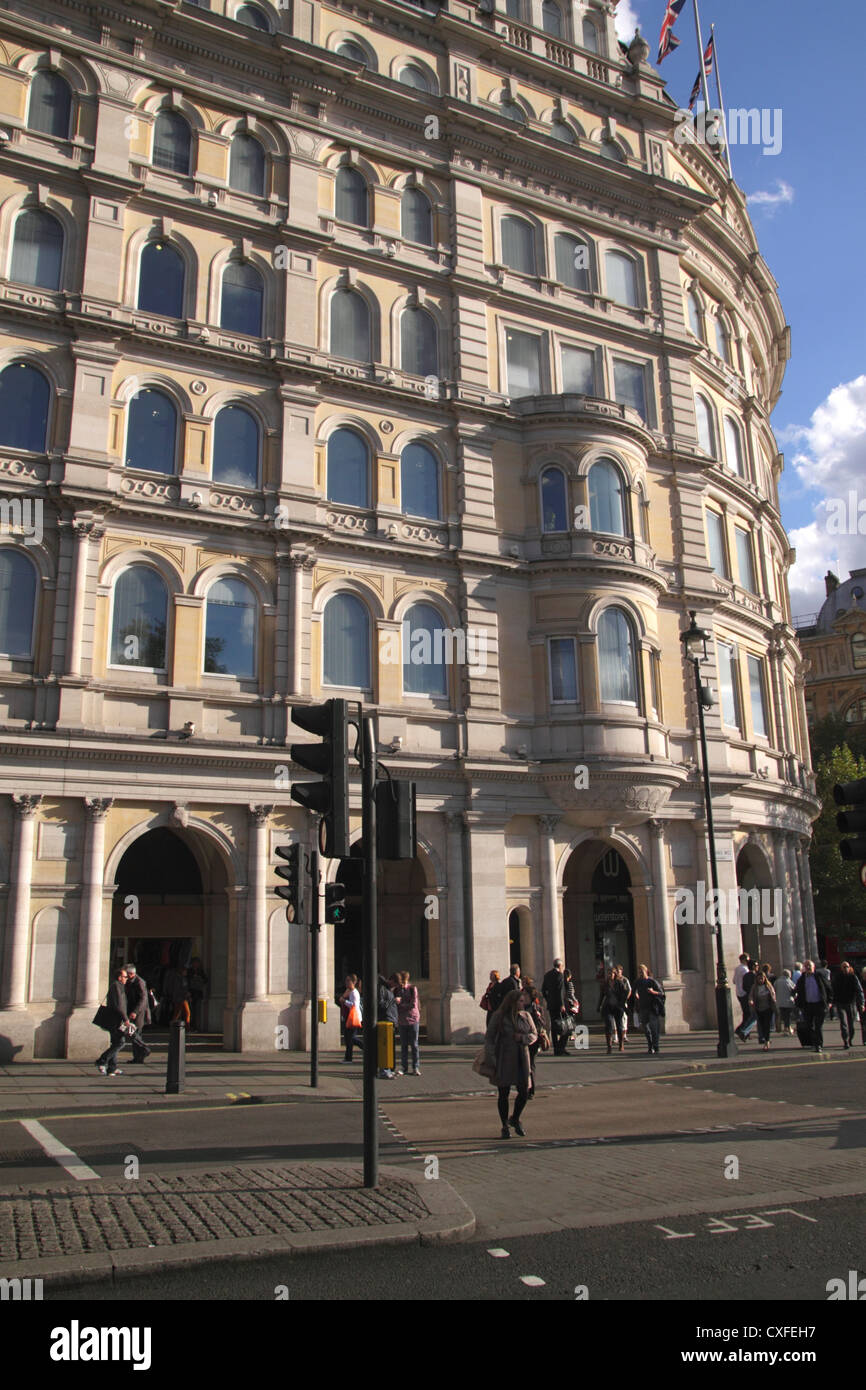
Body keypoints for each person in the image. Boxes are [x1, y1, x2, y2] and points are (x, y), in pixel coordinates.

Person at [486, 988, 537, 1138]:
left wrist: (522, 1038)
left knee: (524, 1091)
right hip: (504, 1057)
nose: (523, 1003)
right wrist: (492, 1057)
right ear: (512, 1002)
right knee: (504, 1092)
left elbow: (534, 1034)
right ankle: (504, 1125)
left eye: (523, 1000)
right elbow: (489, 1037)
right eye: (520, 1001)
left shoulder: (526, 1016)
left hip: (522, 1058)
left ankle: (514, 1118)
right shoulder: (499, 1017)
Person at [96, 967, 131, 1076]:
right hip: (115, 1020)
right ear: (120, 977)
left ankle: (112, 1067)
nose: (127, 979)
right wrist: (126, 1019)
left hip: (115, 1019)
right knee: (120, 1042)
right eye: (125, 977)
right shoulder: (116, 986)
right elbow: (119, 1005)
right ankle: (102, 1061)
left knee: (116, 1042)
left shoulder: (118, 986)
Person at [794, 959, 832, 1053]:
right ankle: (814, 1043)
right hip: (808, 1005)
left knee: (818, 1026)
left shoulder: (818, 976)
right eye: (806, 966)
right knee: (809, 1026)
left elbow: (828, 988)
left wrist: (829, 1001)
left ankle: (818, 1044)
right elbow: (797, 990)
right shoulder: (802, 978)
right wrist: (795, 997)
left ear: (813, 967)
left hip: (819, 1004)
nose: (807, 967)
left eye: (809, 966)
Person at [522, 977, 549, 1099]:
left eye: (525, 995)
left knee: (530, 1064)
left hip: (532, 1040)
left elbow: (542, 1023)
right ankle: (527, 1088)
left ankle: (530, 1089)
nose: (523, 998)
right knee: (526, 1065)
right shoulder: (522, 1007)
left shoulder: (535, 1008)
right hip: (524, 1039)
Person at [632, 964, 665, 1055]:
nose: (640, 974)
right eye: (639, 972)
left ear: (646, 971)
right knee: (646, 1029)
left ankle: (656, 1046)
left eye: (642, 972)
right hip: (643, 1007)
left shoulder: (652, 981)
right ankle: (650, 1046)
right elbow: (633, 991)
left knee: (654, 1028)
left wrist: (652, 992)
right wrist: (636, 995)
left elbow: (661, 993)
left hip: (652, 1008)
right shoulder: (637, 982)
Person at [542, 958, 572, 1056]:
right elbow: (560, 991)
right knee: (566, 1026)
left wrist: (549, 1000)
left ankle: (556, 1049)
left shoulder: (547, 975)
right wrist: (562, 1004)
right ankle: (561, 1047)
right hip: (559, 1005)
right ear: (560, 966)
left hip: (551, 1005)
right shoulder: (560, 975)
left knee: (554, 1027)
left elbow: (543, 990)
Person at [832, 961, 865, 1050]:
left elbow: (859, 990)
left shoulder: (853, 977)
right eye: (844, 967)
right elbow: (833, 989)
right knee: (843, 1023)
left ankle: (850, 1038)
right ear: (841, 968)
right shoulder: (838, 977)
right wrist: (833, 1001)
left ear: (849, 967)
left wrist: (861, 1003)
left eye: (847, 966)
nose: (846, 968)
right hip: (840, 1003)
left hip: (851, 1003)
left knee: (851, 1024)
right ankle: (845, 1041)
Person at [124, 964, 151, 1064]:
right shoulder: (130, 982)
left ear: (131, 974)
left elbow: (143, 999)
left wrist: (135, 1011)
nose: (124, 976)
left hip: (138, 1013)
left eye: (126, 974)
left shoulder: (139, 982)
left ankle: (145, 1049)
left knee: (135, 1034)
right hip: (132, 1011)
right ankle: (138, 1057)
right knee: (133, 1034)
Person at [598, 967, 629, 1054]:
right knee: (608, 1025)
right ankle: (609, 1046)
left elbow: (625, 992)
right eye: (608, 974)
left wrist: (622, 1002)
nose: (609, 975)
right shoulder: (605, 984)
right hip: (608, 1006)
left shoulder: (619, 982)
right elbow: (602, 995)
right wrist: (599, 1005)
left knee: (619, 1025)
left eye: (611, 974)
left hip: (618, 1007)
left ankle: (621, 1044)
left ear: (614, 974)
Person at [396, 970, 421, 1076]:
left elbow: (413, 1004)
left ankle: (415, 1067)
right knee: (404, 1045)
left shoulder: (412, 989)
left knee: (414, 1044)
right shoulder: (397, 990)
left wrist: (400, 1003)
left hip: (413, 1019)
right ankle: (404, 1067)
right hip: (402, 1020)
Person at [748, 969, 777, 1050]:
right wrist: (751, 1001)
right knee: (761, 1025)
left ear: (765, 978)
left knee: (766, 1024)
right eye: (759, 978)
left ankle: (766, 1041)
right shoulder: (755, 987)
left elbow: (773, 993)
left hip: (768, 1007)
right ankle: (764, 1038)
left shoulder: (768, 985)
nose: (761, 980)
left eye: (762, 978)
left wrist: (774, 1000)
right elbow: (751, 995)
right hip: (759, 1008)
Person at [377, 975, 399, 1078]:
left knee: (390, 1047)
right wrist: (393, 1000)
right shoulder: (382, 989)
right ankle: (384, 1070)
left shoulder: (388, 990)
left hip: (391, 1020)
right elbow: (381, 1005)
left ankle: (389, 1068)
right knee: (385, 1046)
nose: (395, 987)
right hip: (386, 1020)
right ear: (391, 981)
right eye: (395, 984)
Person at [340, 974, 362, 1062]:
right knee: (348, 1039)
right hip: (348, 1017)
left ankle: (365, 1047)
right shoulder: (349, 991)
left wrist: (344, 1001)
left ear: (353, 982)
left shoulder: (354, 993)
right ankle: (348, 1058)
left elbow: (354, 1005)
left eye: (348, 981)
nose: (346, 983)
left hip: (352, 1017)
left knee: (351, 1038)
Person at [735, 959, 758, 1041]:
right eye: (756, 965)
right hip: (754, 998)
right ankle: (743, 1031)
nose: (757, 967)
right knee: (754, 1016)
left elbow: (743, 986)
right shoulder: (755, 976)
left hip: (745, 996)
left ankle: (744, 1031)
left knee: (748, 1014)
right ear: (753, 967)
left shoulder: (746, 975)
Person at [187, 957, 209, 1031]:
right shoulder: (190, 972)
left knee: (197, 1011)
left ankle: (196, 1026)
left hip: (198, 993)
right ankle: (191, 1026)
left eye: (197, 963)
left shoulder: (200, 971)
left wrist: (200, 979)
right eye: (195, 963)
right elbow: (187, 982)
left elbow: (206, 980)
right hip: (191, 993)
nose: (196, 964)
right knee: (191, 1011)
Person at [774, 968, 796, 1034]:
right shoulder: (789, 981)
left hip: (779, 1002)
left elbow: (774, 990)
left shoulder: (777, 981)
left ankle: (785, 1028)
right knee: (787, 1016)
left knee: (782, 1016)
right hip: (788, 1001)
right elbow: (794, 990)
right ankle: (787, 1028)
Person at [615, 964, 631, 1045]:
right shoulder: (613, 980)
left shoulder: (625, 980)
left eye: (618, 971)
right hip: (615, 1002)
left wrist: (625, 999)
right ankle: (616, 1037)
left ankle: (624, 1036)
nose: (617, 973)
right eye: (616, 971)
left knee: (624, 1018)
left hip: (623, 1002)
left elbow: (629, 990)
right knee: (615, 1020)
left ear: (621, 971)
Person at [732, 953, 750, 1025]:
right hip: (745, 992)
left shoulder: (737, 968)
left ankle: (744, 1030)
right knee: (748, 1013)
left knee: (745, 1012)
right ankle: (743, 1029)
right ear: (744, 960)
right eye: (747, 960)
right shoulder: (745, 969)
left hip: (738, 992)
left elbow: (734, 981)